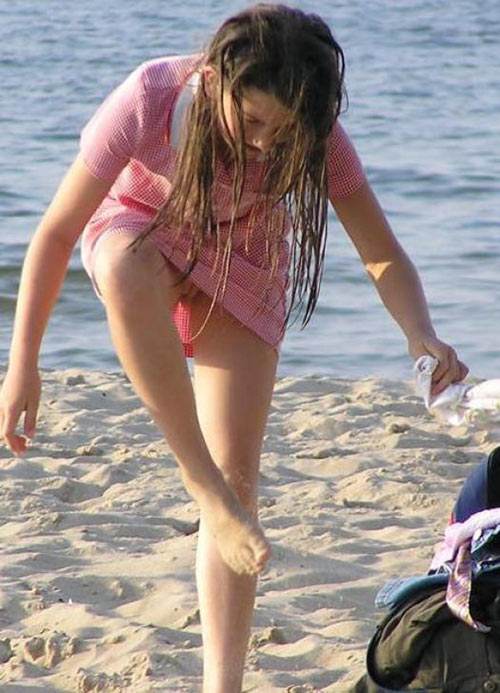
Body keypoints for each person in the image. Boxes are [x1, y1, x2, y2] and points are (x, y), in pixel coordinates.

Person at [0, 4, 468, 692]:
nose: (263, 144)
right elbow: (55, 232)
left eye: (283, 132)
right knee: (124, 266)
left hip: (244, 258)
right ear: (215, 80)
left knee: (238, 481)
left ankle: (223, 684)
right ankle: (199, 482)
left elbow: (382, 253)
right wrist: (23, 364)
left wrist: (419, 331)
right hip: (144, 229)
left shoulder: (317, 136)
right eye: (251, 121)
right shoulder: (151, 97)